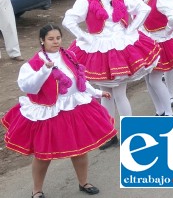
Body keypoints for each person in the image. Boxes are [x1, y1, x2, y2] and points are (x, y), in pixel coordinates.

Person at [1, 24, 117, 197]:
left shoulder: (69, 55)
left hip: (74, 108)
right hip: (48, 112)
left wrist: (98, 92)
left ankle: (83, 182)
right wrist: (45, 70)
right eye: (51, 39)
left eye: (58, 38)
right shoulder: (34, 64)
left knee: (80, 149)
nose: (55, 42)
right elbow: (29, 88)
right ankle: (37, 190)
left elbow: (80, 81)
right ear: (42, 40)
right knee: (43, 155)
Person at [62, 0, 160, 149]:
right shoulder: (85, 3)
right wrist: (84, 37)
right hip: (97, 49)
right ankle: (109, 134)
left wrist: (132, 29)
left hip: (120, 47)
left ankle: (129, 134)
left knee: (120, 94)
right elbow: (68, 21)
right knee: (105, 94)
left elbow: (144, 8)